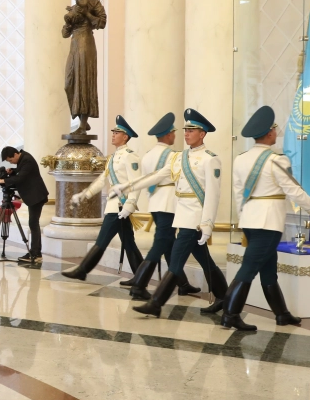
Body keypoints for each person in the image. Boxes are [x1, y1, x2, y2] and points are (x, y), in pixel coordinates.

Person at [217, 106, 310, 331]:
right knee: (248, 269)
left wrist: (244, 215)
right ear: (269, 133)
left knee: (268, 269)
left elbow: (239, 192)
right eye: (275, 130)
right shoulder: (276, 160)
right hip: (268, 223)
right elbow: (294, 191)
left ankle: (281, 314)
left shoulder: (241, 159)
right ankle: (230, 315)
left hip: (250, 219)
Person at [112, 109, 230, 318]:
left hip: (195, 219)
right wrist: (127, 185)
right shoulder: (178, 157)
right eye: (185, 129)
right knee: (205, 261)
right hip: (182, 215)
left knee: (175, 261)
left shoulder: (210, 159)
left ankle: (156, 303)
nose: (186, 133)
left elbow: (213, 195)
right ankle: (225, 298)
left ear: (202, 134)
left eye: (191, 130)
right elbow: (157, 176)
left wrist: (208, 224)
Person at [124, 113, 200, 300]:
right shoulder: (173, 156)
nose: (175, 136)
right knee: (161, 244)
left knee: (168, 244)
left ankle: (182, 283)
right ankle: (139, 283)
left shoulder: (148, 155)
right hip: (169, 203)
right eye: (173, 133)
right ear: (168, 135)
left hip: (155, 201)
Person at [64, 116, 145, 280]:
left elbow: (136, 183)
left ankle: (82, 270)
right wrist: (85, 194)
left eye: (117, 132)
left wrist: (130, 204)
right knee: (129, 244)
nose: (113, 135)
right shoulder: (113, 157)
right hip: (115, 206)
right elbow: (103, 180)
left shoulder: (130, 156)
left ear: (125, 136)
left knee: (102, 241)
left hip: (121, 207)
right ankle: (140, 278)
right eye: (113, 132)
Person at [0, 146, 49, 268]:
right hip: (34, 196)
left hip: (36, 196)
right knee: (33, 224)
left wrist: (3, 181)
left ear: (15, 154)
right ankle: (35, 252)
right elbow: (21, 172)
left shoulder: (27, 160)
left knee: (33, 224)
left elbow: (21, 178)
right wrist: (13, 171)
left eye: (10, 160)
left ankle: (35, 253)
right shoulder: (23, 159)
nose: (11, 162)